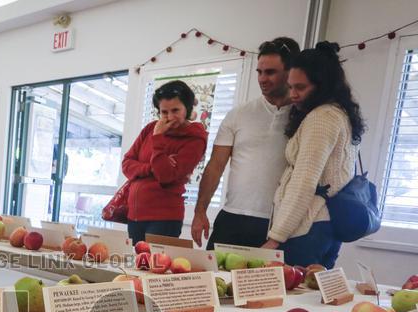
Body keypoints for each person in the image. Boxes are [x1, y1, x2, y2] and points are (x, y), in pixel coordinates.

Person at [264, 41, 365, 268]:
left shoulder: (322, 118)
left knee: (289, 300)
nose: (293, 95)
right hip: (324, 227)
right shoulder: (340, 114)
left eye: (300, 88)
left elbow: (304, 182)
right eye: (290, 87)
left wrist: (275, 238)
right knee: (312, 298)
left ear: (322, 86)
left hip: (306, 230)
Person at [192, 37, 299, 248]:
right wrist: (200, 211)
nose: (262, 78)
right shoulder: (238, 114)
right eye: (259, 72)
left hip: (278, 225)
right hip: (232, 217)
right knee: (214, 281)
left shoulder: (305, 117)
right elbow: (215, 166)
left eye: (270, 72)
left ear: (290, 72)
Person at [121, 80, 208, 244]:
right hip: (135, 215)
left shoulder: (194, 139)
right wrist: (151, 168)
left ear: (187, 109)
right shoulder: (150, 128)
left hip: (165, 217)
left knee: (153, 267)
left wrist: (158, 138)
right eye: (164, 112)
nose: (169, 117)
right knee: (135, 266)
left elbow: (166, 176)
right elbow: (126, 164)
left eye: (175, 110)